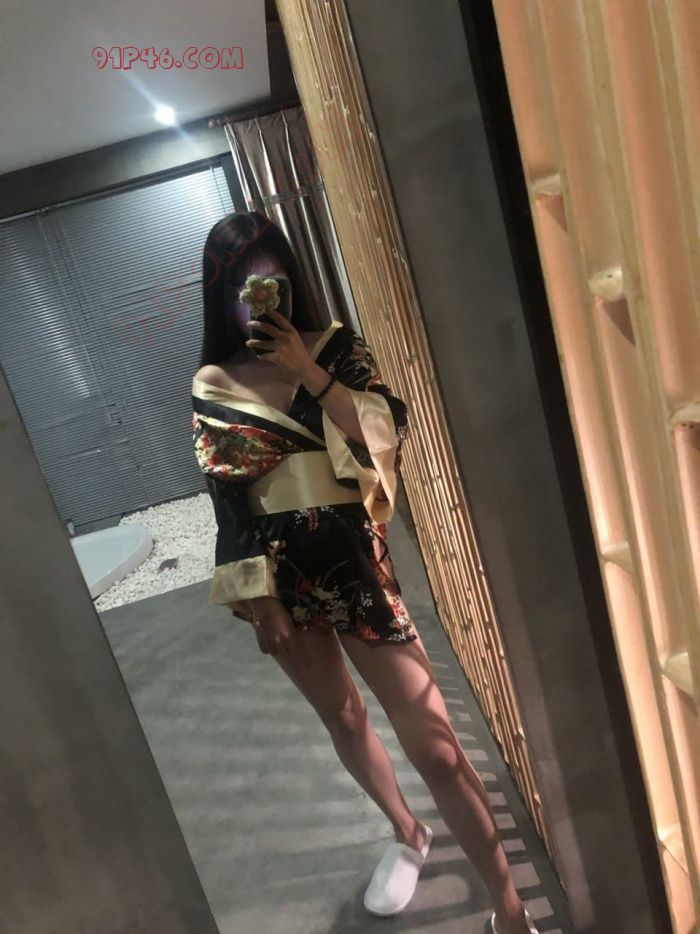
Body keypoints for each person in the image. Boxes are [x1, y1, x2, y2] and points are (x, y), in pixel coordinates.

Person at [191, 210, 539, 934]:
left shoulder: (336, 348)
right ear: (221, 296)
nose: (259, 297)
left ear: (291, 280)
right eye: (243, 286)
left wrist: (307, 372)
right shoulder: (213, 382)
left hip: (356, 566)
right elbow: (228, 500)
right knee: (343, 716)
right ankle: (407, 831)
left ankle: (509, 911)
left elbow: (384, 429)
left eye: (271, 280)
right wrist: (260, 603)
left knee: (437, 748)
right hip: (283, 579)